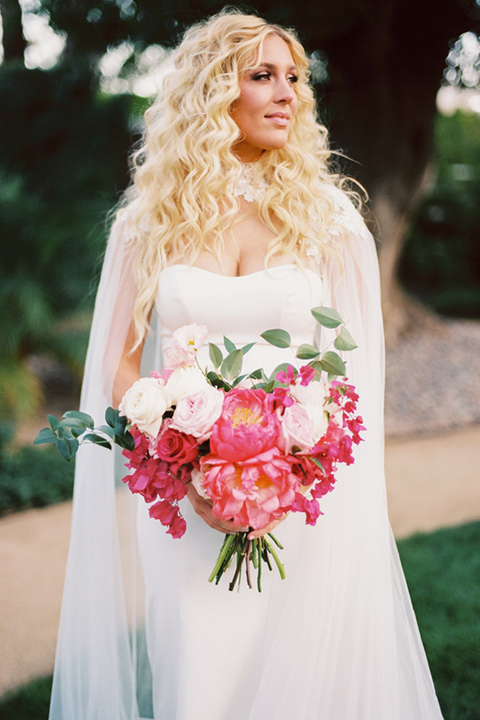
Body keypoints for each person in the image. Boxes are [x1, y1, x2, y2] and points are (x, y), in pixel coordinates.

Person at [48, 11, 445, 720]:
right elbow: (120, 360)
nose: (287, 93)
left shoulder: (328, 219)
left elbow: (350, 373)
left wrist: (296, 467)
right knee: (202, 675)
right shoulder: (150, 220)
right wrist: (186, 463)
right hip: (185, 502)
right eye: (263, 75)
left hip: (302, 499)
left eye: (294, 77)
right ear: (212, 91)